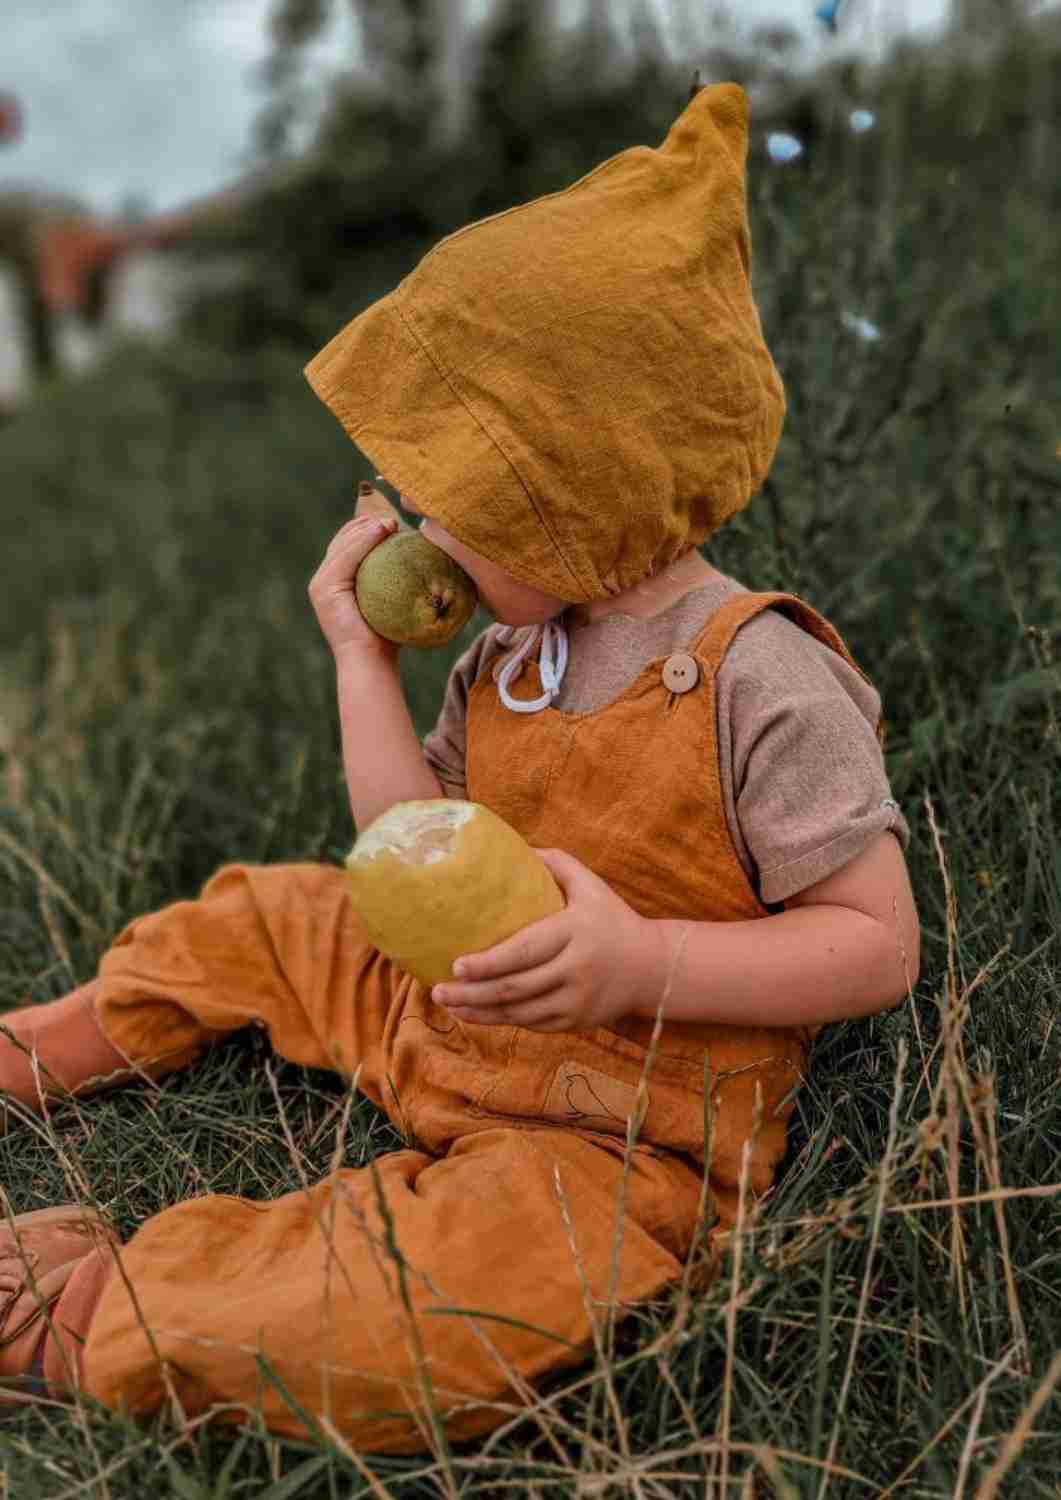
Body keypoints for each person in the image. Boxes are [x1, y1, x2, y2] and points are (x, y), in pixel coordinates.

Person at [0, 83, 920, 1451]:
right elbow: (403, 853)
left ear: (575, 485)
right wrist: (358, 664)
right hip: (446, 1007)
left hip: (619, 1127)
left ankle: (92, 1308)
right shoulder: (512, 654)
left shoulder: (756, 676)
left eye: (454, 498)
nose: (414, 529)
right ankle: (38, 1054)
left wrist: (637, 968)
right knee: (265, 914)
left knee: (431, 1310)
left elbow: (872, 945)